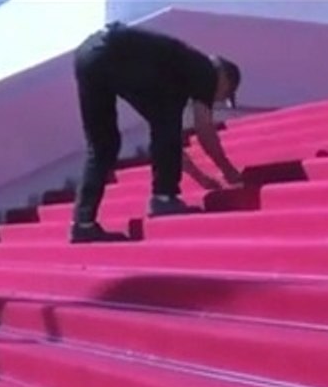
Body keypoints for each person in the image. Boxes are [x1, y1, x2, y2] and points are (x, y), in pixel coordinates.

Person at [69, 23, 243, 243]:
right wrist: (229, 171)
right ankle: (163, 198)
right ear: (225, 78)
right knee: (166, 119)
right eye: (224, 95)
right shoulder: (205, 69)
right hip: (114, 51)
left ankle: (83, 223)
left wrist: (201, 177)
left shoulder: (175, 75)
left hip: (87, 54)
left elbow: (169, 143)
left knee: (103, 145)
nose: (217, 100)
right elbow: (204, 130)